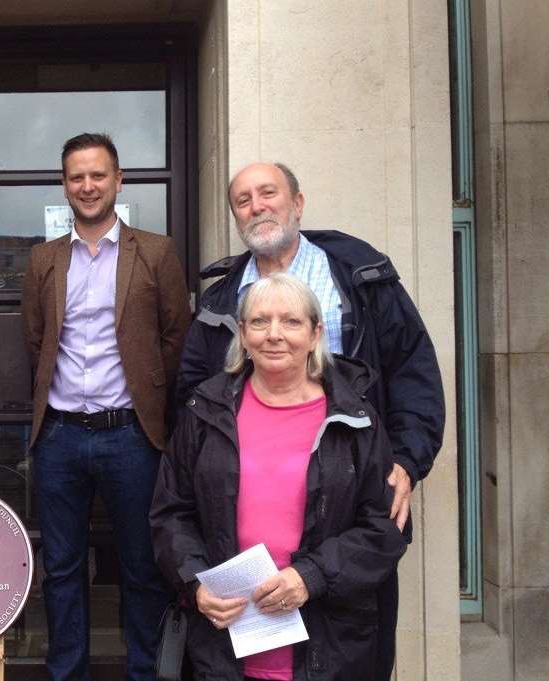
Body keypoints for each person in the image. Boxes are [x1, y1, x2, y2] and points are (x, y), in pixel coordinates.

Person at [176, 162, 445, 679]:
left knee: (339, 643)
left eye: (268, 193)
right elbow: (191, 401)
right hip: (246, 528)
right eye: (243, 200)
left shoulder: (361, 278)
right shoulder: (219, 299)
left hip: (345, 493)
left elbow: (414, 373)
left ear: (297, 203)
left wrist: (407, 460)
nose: (257, 206)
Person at [151, 273, 407, 681]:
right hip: (224, 651)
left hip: (329, 648)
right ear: (242, 333)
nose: (274, 335)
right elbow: (171, 513)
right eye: (259, 321)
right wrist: (196, 584)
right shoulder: (204, 412)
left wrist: (311, 577)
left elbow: (384, 529)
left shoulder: (356, 419)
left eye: (290, 322)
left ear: (315, 333)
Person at [20, 132, 191, 681]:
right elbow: (36, 340)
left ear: (119, 180)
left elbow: (175, 338)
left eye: (98, 175)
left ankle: (145, 672)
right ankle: (68, 673)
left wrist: (146, 402)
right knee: (63, 570)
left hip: (131, 436)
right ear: (64, 185)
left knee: (142, 567)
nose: (87, 186)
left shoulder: (157, 252)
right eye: (76, 177)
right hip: (61, 437)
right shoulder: (43, 259)